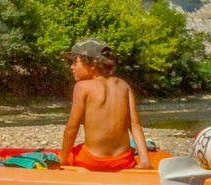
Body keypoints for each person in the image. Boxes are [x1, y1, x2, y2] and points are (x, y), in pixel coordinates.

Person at [60, 38, 151, 171]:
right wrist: (144, 160)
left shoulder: (82, 87)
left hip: (93, 160)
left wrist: (62, 160)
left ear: (92, 64)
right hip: (122, 160)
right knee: (129, 149)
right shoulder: (124, 85)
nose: (72, 67)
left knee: (69, 154)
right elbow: (134, 124)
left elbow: (72, 127)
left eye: (75, 61)